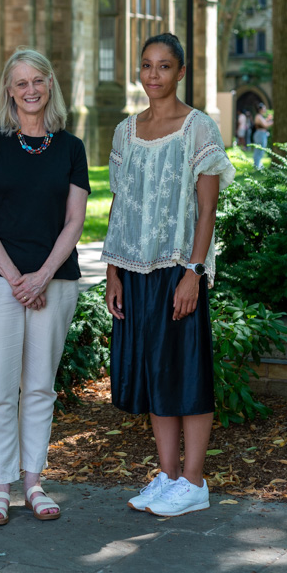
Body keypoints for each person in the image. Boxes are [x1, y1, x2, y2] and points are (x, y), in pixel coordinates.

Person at [102, 33, 236, 518]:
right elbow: (120, 205)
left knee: (187, 372)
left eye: (163, 66)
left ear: (181, 72)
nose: (153, 75)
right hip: (135, 269)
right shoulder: (125, 131)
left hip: (178, 267)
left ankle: (195, 481)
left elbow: (207, 210)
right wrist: (114, 272)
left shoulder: (198, 129)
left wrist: (193, 273)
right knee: (156, 373)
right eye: (146, 66)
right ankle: (168, 475)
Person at [0, 48, 90, 526]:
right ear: (9, 91)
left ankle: (33, 481)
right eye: (20, 82)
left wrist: (42, 276)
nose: (30, 89)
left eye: (38, 80)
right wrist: (18, 280)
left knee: (39, 387)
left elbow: (75, 222)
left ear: (50, 85)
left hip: (55, 282)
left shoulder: (71, 148)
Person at [252, 106, 272, 170]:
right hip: (260, 135)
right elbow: (265, 125)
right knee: (258, 150)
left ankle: (258, 164)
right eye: (264, 108)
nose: (265, 110)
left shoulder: (260, 116)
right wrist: (272, 122)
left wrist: (268, 119)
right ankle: (256, 165)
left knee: (261, 150)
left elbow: (264, 123)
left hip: (262, 134)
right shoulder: (258, 116)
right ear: (260, 109)